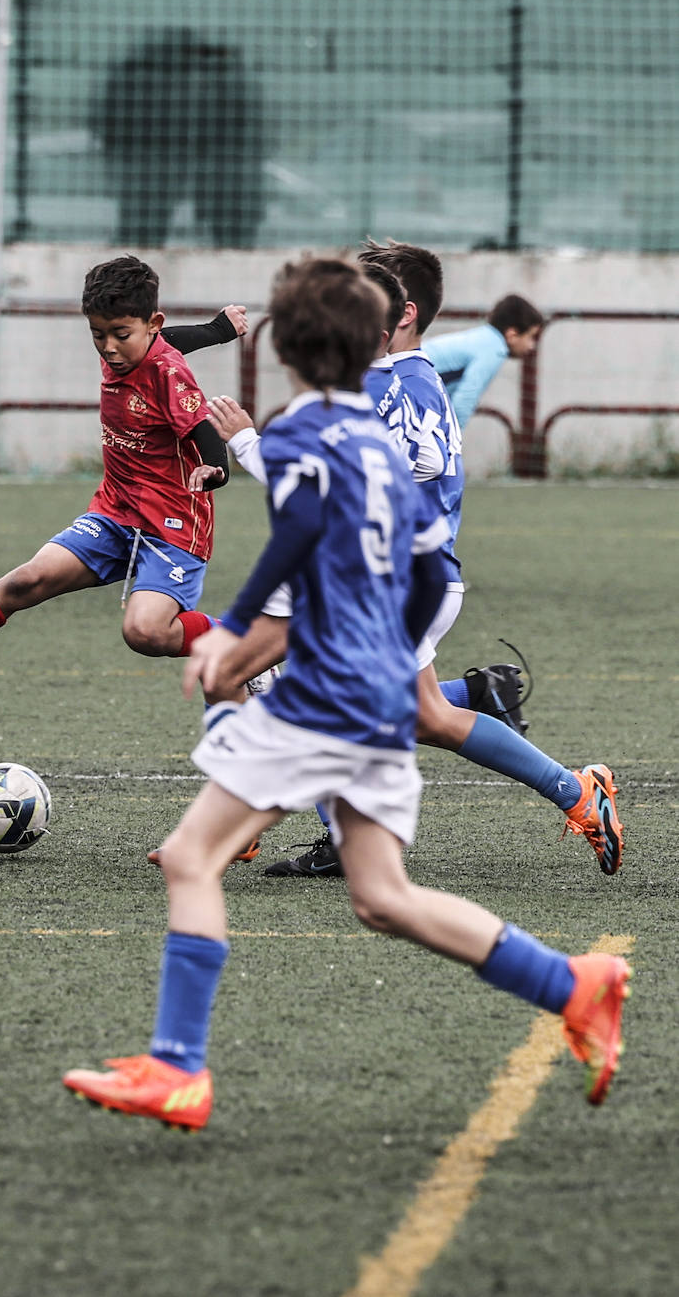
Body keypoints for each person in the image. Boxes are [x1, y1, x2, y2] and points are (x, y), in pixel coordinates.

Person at [62, 256, 631, 1133]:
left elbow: (310, 562)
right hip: (367, 678)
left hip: (335, 690)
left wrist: (235, 647)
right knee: (381, 898)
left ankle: (178, 1068)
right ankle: (573, 984)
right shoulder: (369, 433)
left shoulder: (302, 437)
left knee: (191, 858)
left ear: (288, 352)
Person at [208, 241, 623, 881]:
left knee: (257, 680)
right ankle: (574, 790)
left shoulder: (384, 385)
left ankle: (276, 834)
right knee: (427, 715)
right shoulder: (419, 378)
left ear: (395, 315)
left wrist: (245, 441)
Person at [0, 257, 242, 688]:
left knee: (146, 632)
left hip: (172, 523)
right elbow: (165, 339)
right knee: (27, 579)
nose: (109, 347)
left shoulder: (169, 375)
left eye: (120, 335)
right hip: (116, 511)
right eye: (98, 334)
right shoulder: (129, 350)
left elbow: (202, 427)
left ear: (150, 323)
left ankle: (249, 647)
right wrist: (217, 331)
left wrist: (215, 469)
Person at [92, 28, 267, 249]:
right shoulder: (225, 79)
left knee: (143, 232)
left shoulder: (137, 78)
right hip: (157, 170)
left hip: (172, 170)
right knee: (144, 229)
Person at [427, 294, 544, 430]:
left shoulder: (485, 338)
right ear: (512, 335)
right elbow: (463, 401)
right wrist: (452, 444)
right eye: (531, 337)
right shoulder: (494, 350)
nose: (532, 345)